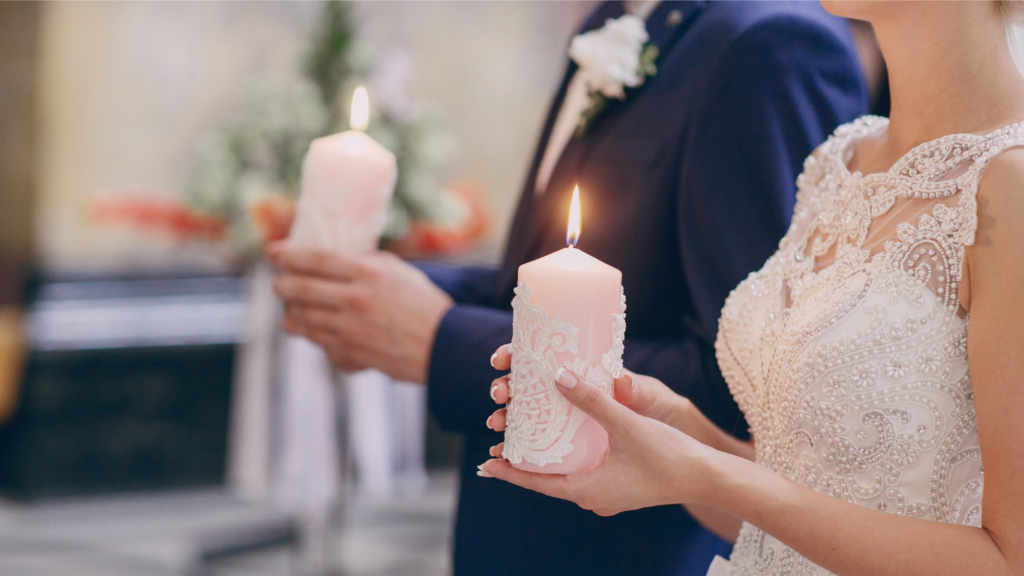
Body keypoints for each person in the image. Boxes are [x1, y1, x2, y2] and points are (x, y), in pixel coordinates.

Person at [269, 2, 868, 575]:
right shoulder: (613, 20)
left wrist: (443, 340)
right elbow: (540, 283)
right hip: (514, 536)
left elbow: (742, 386)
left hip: (635, 552)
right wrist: (379, 289)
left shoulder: (770, 44)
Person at [480, 2, 1024, 575]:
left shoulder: (1009, 188)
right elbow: (803, 515)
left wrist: (709, 471)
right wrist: (682, 435)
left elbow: (1010, 560)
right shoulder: (842, 160)